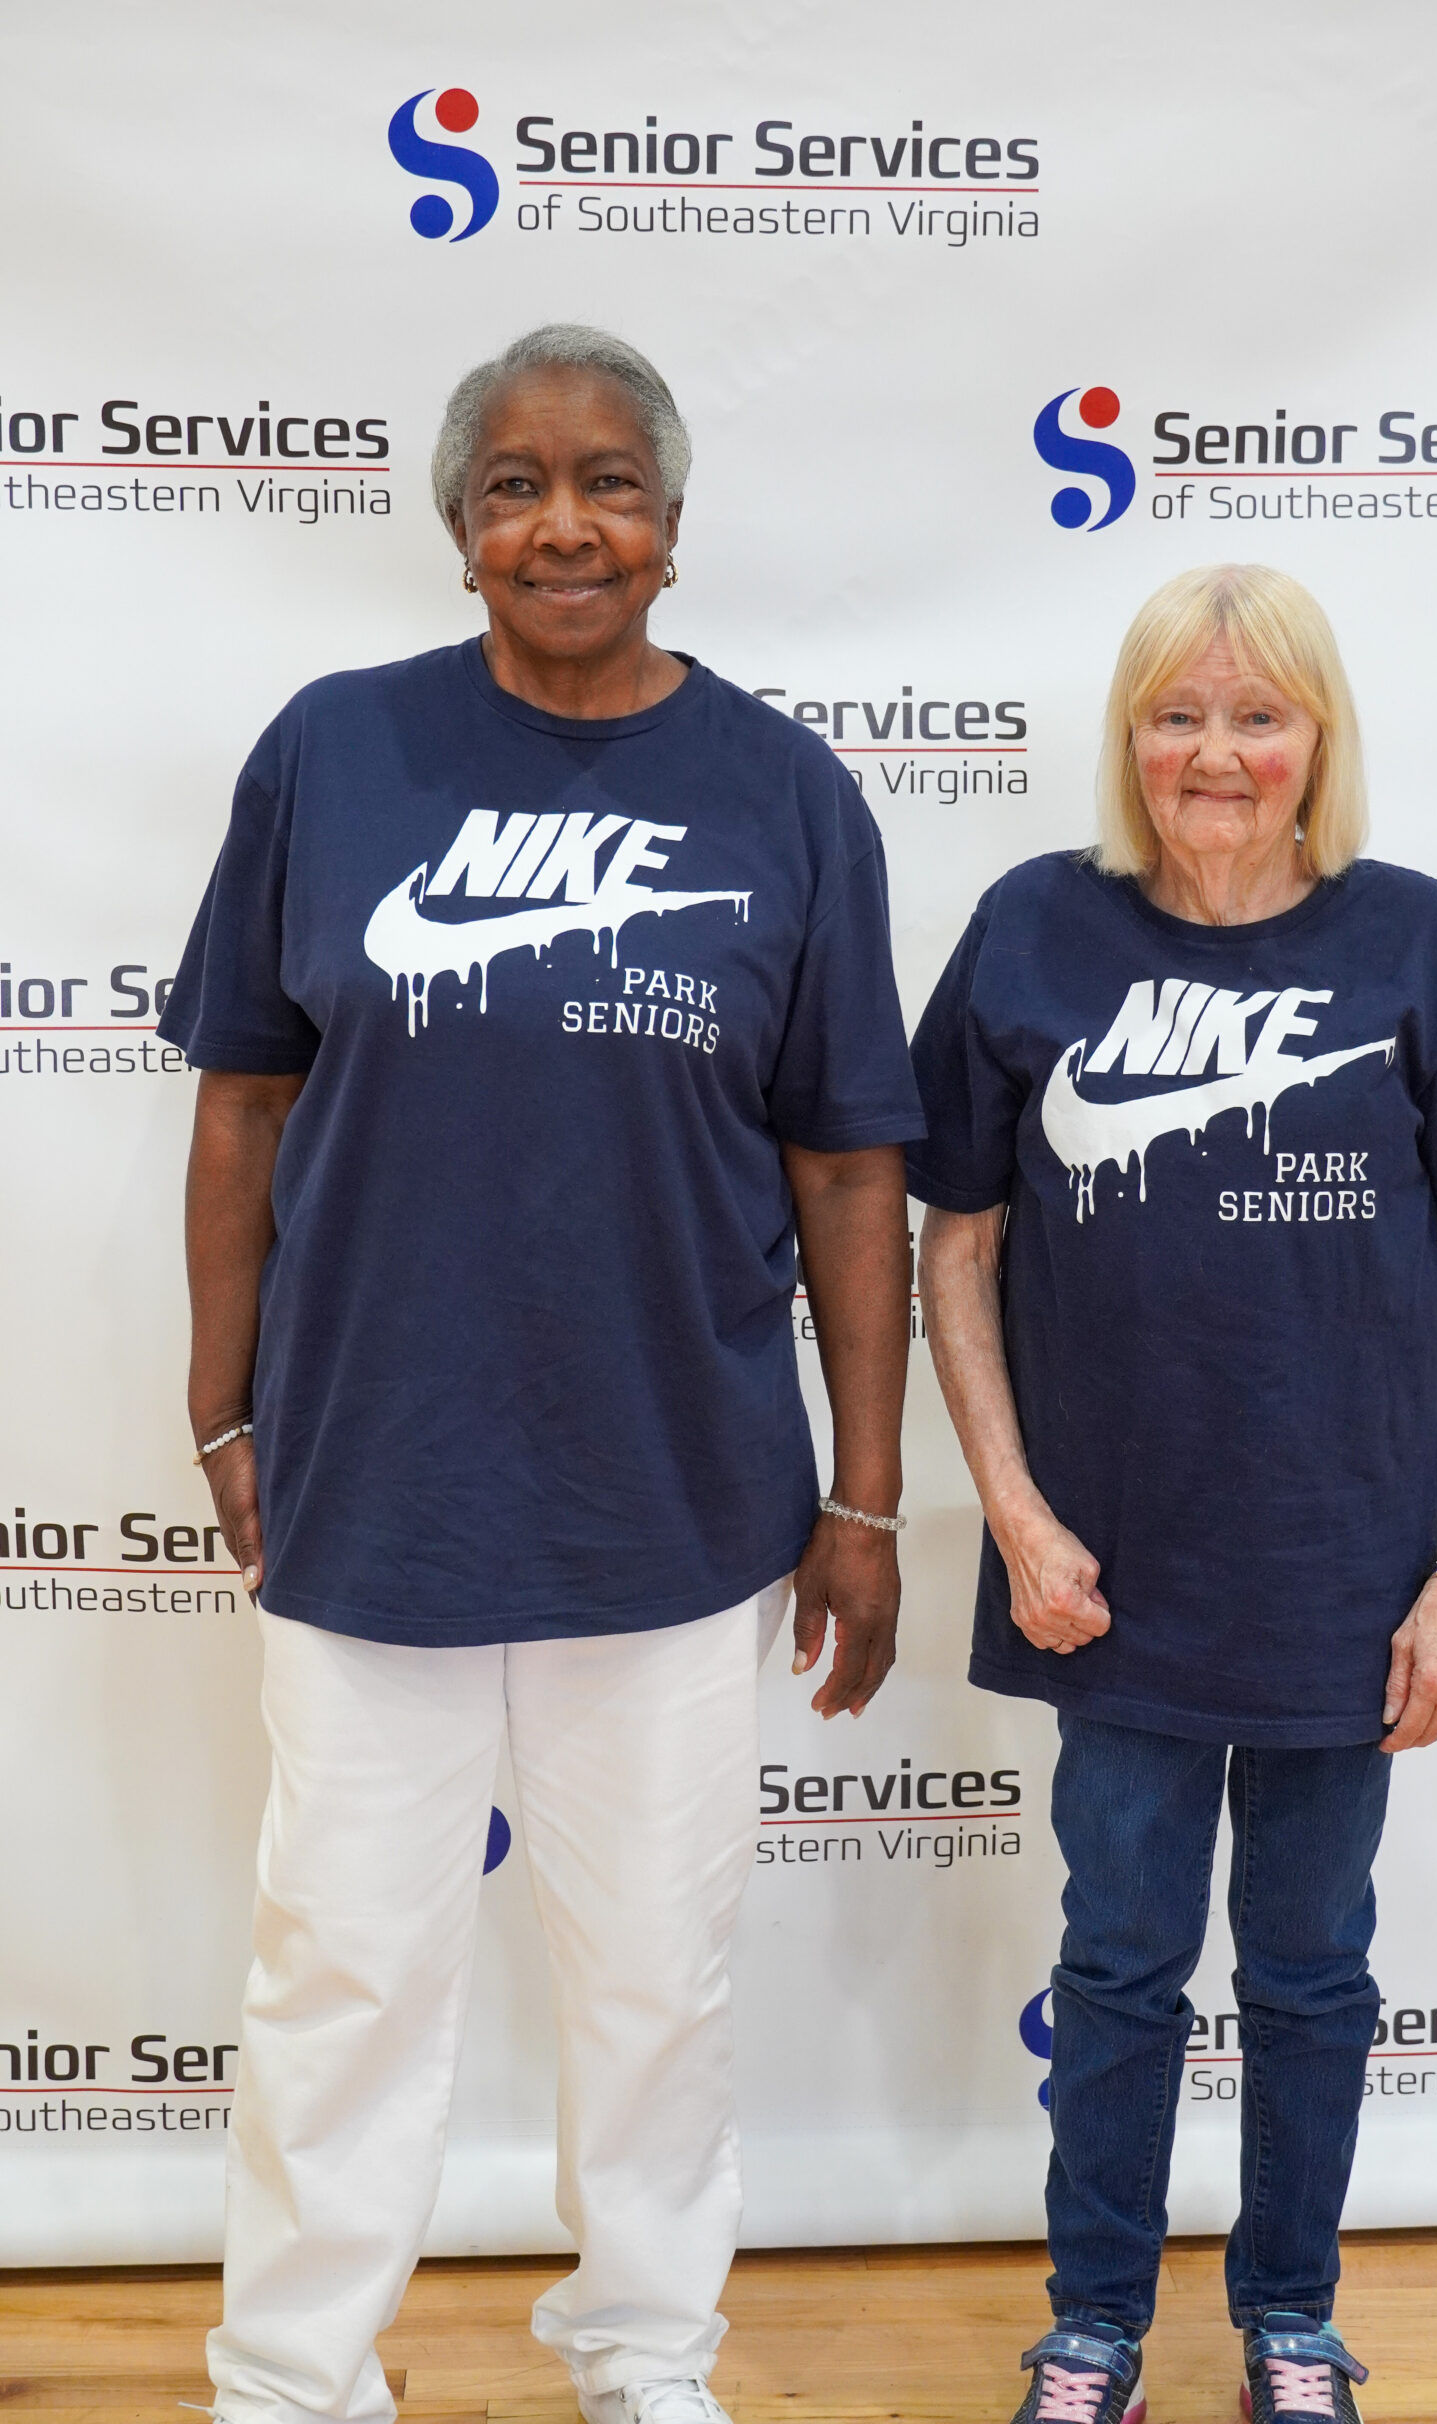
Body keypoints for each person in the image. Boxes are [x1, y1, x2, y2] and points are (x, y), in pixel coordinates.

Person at [160, 323, 924, 2424]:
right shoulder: (335, 752)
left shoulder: (783, 791)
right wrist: (221, 1402)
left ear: (673, 528)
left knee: (655, 1980)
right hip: (372, 1475)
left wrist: (862, 1491)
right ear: (458, 523)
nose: (560, 520)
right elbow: (240, 1100)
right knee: (343, 1973)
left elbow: (853, 1163)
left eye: (605, 482)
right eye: (512, 484)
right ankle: (294, 2375)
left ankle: (644, 2349)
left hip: (674, 1494)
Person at [906, 565, 1437, 2424]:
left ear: (1316, 743)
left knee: (1310, 1974)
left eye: (1257, 716)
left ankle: (1293, 2325)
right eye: (1177, 714)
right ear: (1132, 738)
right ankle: (1092, 2333)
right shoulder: (1034, 930)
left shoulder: (1418, 945)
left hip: (1341, 1581)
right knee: (1119, 1963)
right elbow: (949, 1255)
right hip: (1106, 1577)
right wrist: (1021, 1517)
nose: (1216, 752)